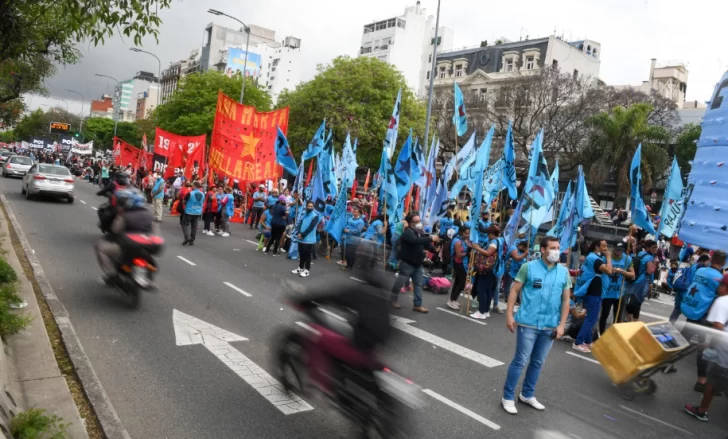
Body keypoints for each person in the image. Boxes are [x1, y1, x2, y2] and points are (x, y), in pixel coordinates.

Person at [502, 236, 571, 415]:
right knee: (520, 361)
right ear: (543, 250)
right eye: (553, 247)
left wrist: (562, 325)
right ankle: (508, 397)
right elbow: (514, 290)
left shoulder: (563, 273)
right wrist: (509, 315)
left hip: (549, 326)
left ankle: (527, 394)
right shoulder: (528, 267)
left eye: (558, 247)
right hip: (528, 324)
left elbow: (566, 300)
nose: (557, 251)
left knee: (538, 362)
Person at [681, 250, 727, 392]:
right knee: (703, 347)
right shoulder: (719, 278)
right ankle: (701, 380)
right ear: (723, 262)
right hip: (703, 314)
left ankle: (662, 361)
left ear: (712, 258)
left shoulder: (700, 271)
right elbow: (721, 295)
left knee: (681, 340)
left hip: (692, 308)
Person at [684, 273, 728, 422]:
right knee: (714, 381)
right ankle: (702, 410)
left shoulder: (722, 301)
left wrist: (712, 345)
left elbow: (717, 327)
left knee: (716, 381)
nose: (718, 287)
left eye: (721, 284)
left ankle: (702, 411)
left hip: (725, 352)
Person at [95, 189, 154, 284]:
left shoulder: (124, 215)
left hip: (127, 247)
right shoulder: (149, 214)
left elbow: (115, 230)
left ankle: (112, 275)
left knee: (100, 248)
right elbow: (154, 231)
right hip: (145, 247)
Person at [390, 213, 439, 313]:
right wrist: (430, 238)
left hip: (418, 263)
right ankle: (393, 299)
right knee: (400, 283)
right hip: (407, 263)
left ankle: (418, 305)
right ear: (410, 222)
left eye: (419, 221)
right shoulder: (407, 232)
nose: (418, 223)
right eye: (415, 221)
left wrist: (434, 249)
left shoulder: (420, 232)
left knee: (418, 284)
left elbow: (425, 243)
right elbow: (415, 241)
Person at [573, 239, 613, 353]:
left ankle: (588, 341)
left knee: (591, 317)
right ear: (597, 247)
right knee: (591, 318)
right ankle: (578, 342)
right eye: (603, 246)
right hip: (593, 291)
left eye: (606, 246)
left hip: (591, 290)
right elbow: (609, 271)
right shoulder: (595, 259)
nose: (606, 248)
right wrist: (609, 258)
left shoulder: (591, 257)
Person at [470, 225, 506, 319]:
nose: (488, 236)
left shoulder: (494, 242)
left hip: (488, 269)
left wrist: (476, 248)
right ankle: (486, 311)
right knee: (488, 290)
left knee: (482, 290)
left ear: (491, 234)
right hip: (495, 269)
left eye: (488, 234)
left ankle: (481, 312)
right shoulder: (501, 240)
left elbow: (488, 253)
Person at [599, 243, 634, 334]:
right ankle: (601, 334)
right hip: (607, 292)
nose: (618, 252)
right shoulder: (606, 257)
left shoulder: (627, 259)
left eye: (621, 250)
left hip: (620, 292)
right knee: (604, 315)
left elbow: (633, 275)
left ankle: (615, 335)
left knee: (618, 316)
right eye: (617, 249)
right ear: (613, 248)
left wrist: (622, 271)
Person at [622, 240, 658, 322]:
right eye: (653, 247)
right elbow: (650, 271)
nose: (655, 249)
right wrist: (654, 265)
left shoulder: (640, 253)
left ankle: (628, 320)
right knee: (637, 303)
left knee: (631, 303)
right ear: (648, 247)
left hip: (634, 280)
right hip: (642, 282)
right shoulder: (650, 257)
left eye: (656, 247)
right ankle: (634, 323)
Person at [670, 255, 710, 323]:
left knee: (676, 311)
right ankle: (686, 330)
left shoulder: (691, 266)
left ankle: (669, 326)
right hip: (689, 293)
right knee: (690, 315)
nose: (709, 263)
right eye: (708, 261)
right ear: (703, 261)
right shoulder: (699, 268)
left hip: (682, 291)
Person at [292, 201, 319, 278]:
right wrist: (299, 233)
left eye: (311, 206)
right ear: (306, 206)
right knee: (301, 254)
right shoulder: (304, 215)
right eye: (308, 206)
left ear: (313, 207)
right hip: (301, 238)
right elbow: (300, 224)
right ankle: (300, 268)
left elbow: (311, 227)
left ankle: (307, 270)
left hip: (308, 240)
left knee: (307, 255)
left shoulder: (315, 216)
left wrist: (303, 235)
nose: (310, 207)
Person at [446, 226, 470, 311]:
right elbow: (459, 255)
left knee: (457, 282)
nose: (467, 235)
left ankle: (453, 299)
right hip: (459, 264)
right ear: (461, 232)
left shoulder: (463, 240)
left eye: (468, 233)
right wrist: (467, 253)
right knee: (462, 283)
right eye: (465, 233)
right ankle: (452, 299)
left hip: (462, 264)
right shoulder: (457, 241)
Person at [503, 240, 529, 308]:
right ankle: (507, 298)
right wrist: (524, 255)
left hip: (516, 270)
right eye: (524, 248)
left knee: (517, 285)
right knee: (507, 284)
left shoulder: (521, 251)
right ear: (521, 246)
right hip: (509, 268)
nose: (524, 250)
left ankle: (516, 300)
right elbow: (516, 258)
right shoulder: (513, 248)